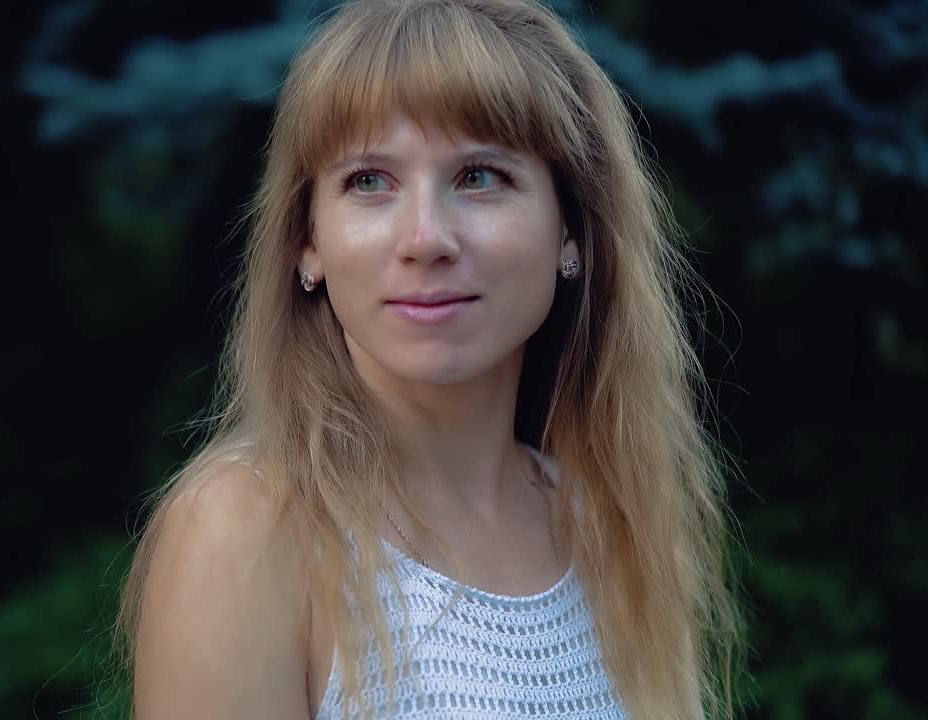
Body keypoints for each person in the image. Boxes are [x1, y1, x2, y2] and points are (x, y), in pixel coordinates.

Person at [115, 0, 744, 717]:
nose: (425, 237)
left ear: (571, 228)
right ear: (308, 242)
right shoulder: (245, 533)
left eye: (479, 176)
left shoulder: (611, 523)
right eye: (369, 181)